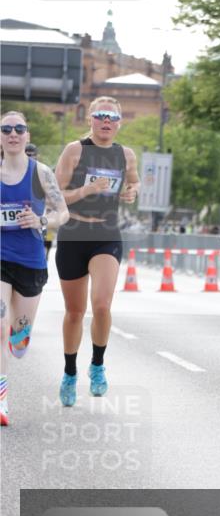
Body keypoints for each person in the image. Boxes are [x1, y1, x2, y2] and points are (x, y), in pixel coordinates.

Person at [54, 97, 140, 406]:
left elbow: (134, 182)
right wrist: (87, 190)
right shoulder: (75, 150)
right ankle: (69, 372)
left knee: (102, 305)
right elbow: (56, 195)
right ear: (90, 119)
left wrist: (132, 191)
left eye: (112, 117)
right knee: (75, 312)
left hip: (106, 232)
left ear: (119, 123)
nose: (106, 121)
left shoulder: (125, 155)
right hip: (74, 233)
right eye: (101, 115)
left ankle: (98, 365)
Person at [0, 111, 69, 426]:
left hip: (30, 262)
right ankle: (2, 401)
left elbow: (62, 213)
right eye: (6, 129)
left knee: (17, 335)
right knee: (0, 328)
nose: (13, 133)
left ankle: (21, 332)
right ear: (0, 137)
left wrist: (41, 221)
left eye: (19, 129)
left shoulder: (41, 173)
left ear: (26, 136)